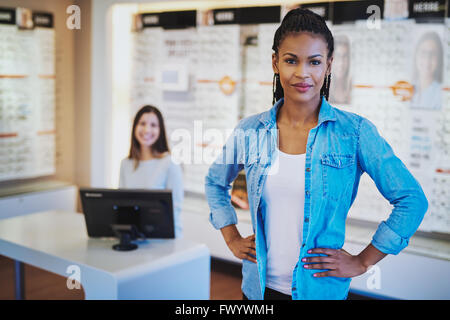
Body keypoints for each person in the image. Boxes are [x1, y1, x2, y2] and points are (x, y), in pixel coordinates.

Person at [205, 9, 428, 300]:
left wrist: (362, 261)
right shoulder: (251, 130)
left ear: (329, 65)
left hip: (319, 291)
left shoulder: (355, 132)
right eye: (290, 60)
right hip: (257, 289)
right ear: (275, 62)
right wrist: (231, 237)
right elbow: (214, 182)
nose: (302, 73)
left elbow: (412, 200)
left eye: (314, 61)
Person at [119, 105, 184, 238]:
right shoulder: (125, 164)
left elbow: (175, 208)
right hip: (134, 237)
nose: (147, 129)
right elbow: (121, 204)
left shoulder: (170, 163)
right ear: (135, 127)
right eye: (142, 123)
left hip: (163, 238)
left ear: (160, 130)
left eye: (153, 125)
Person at [411, 31, 443, 110]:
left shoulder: (441, 93)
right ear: (416, 56)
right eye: (423, 52)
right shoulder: (407, 87)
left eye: (433, 54)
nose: (427, 59)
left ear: (439, 59)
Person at [328, 35, 352, 105]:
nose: (341, 63)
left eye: (345, 57)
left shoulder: (353, 88)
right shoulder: (322, 89)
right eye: (337, 56)